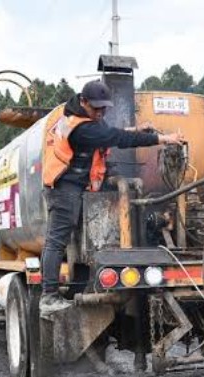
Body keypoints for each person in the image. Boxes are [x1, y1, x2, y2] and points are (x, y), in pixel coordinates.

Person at [39, 79, 184, 314]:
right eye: (96, 108)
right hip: (65, 188)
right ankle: (49, 297)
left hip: (75, 186)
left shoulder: (80, 117)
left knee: (68, 241)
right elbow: (116, 139)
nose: (101, 112)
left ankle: (72, 287)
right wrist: (162, 139)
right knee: (56, 242)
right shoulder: (81, 127)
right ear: (83, 102)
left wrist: (135, 130)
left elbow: (106, 134)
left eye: (104, 108)